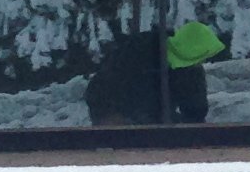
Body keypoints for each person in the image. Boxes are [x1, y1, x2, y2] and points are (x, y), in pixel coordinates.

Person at [84, 19, 226, 126]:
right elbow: (114, 87)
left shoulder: (190, 68)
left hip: (152, 115)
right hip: (110, 105)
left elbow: (195, 107)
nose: (200, 62)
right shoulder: (141, 51)